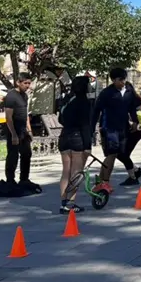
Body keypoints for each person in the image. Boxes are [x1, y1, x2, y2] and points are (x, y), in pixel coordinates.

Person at [92, 69, 141, 194]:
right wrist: (92, 128)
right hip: (109, 127)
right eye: (120, 80)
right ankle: (105, 182)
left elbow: (132, 108)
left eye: (124, 79)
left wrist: (135, 122)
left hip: (123, 128)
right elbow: (96, 110)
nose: (123, 82)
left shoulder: (129, 92)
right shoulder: (106, 93)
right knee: (112, 154)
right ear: (113, 80)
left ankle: (101, 181)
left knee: (117, 153)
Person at [58, 76, 93, 213]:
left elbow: (60, 118)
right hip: (77, 138)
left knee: (66, 171)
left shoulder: (67, 100)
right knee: (76, 172)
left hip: (64, 135)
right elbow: (85, 125)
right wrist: (88, 146)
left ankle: (63, 202)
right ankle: (71, 203)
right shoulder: (84, 102)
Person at [2, 74, 40, 193]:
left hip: (23, 131)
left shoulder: (24, 96)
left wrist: (29, 130)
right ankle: (10, 180)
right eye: (25, 83)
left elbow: (25, 114)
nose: (27, 86)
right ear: (18, 82)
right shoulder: (11, 96)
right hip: (14, 130)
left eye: (29, 83)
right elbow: (8, 117)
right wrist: (13, 134)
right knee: (13, 156)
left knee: (26, 154)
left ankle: (24, 179)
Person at [116, 82, 141, 186]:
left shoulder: (136, 100)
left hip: (137, 130)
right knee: (122, 154)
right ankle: (136, 171)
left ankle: (133, 176)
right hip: (129, 130)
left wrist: (135, 119)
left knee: (123, 154)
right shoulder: (126, 100)